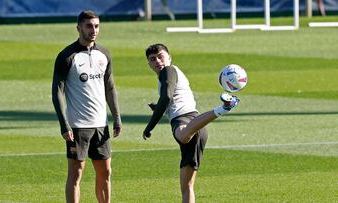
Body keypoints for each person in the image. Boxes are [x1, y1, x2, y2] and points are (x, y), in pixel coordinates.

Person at [142, 43, 239, 203]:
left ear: (169, 57)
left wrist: (150, 126)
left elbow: (166, 98)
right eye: (153, 59)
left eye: (161, 56)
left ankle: (223, 108)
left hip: (187, 121)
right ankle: (221, 109)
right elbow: (171, 101)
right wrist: (159, 108)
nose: (158, 61)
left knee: (182, 135)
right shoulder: (166, 76)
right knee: (186, 186)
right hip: (197, 126)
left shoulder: (169, 70)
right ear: (149, 64)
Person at [52, 10, 122, 203]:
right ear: (79, 28)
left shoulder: (104, 54)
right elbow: (56, 92)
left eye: (97, 26)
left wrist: (116, 117)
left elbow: (110, 87)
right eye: (89, 26)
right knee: (76, 173)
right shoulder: (67, 56)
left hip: (101, 124)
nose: (94, 30)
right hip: (77, 126)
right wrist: (64, 124)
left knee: (105, 172)